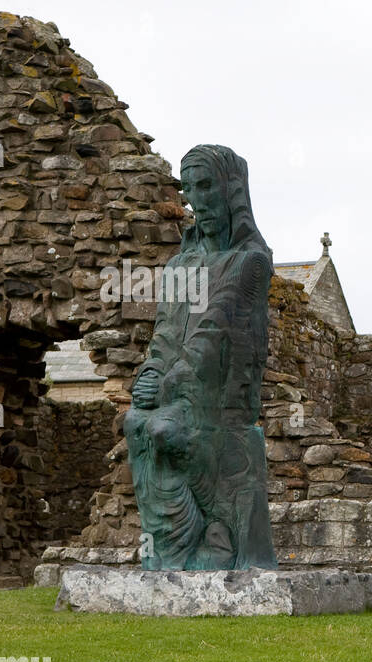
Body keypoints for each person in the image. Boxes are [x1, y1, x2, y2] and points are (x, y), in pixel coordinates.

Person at [124, 144, 276, 570]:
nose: (197, 200)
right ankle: (173, 546)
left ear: (232, 190)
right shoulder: (180, 267)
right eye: (189, 188)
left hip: (221, 396)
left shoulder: (249, 261)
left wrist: (171, 382)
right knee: (136, 421)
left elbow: (214, 331)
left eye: (207, 185)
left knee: (163, 430)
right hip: (181, 385)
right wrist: (152, 372)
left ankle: (220, 536)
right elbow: (166, 333)